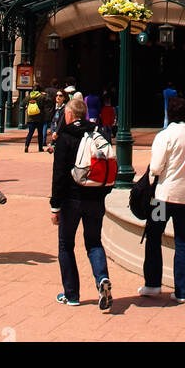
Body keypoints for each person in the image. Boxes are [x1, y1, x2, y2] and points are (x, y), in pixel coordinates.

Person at [49, 94, 112, 310]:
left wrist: (55, 206)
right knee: (94, 242)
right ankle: (102, 278)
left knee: (66, 244)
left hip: (71, 199)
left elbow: (58, 175)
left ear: (69, 114)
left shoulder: (65, 137)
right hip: (95, 197)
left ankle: (72, 294)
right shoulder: (98, 133)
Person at [140, 94, 185, 302]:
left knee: (154, 235)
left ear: (169, 113)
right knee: (182, 240)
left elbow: (156, 167)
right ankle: (182, 291)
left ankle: (152, 284)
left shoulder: (164, 135)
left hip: (163, 197)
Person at [45, 89, 67, 153]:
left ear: (64, 98)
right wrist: (53, 132)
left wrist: (56, 132)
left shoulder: (65, 108)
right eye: (56, 95)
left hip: (61, 134)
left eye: (60, 95)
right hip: (55, 134)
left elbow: (61, 122)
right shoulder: (56, 108)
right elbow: (53, 121)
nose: (58, 97)